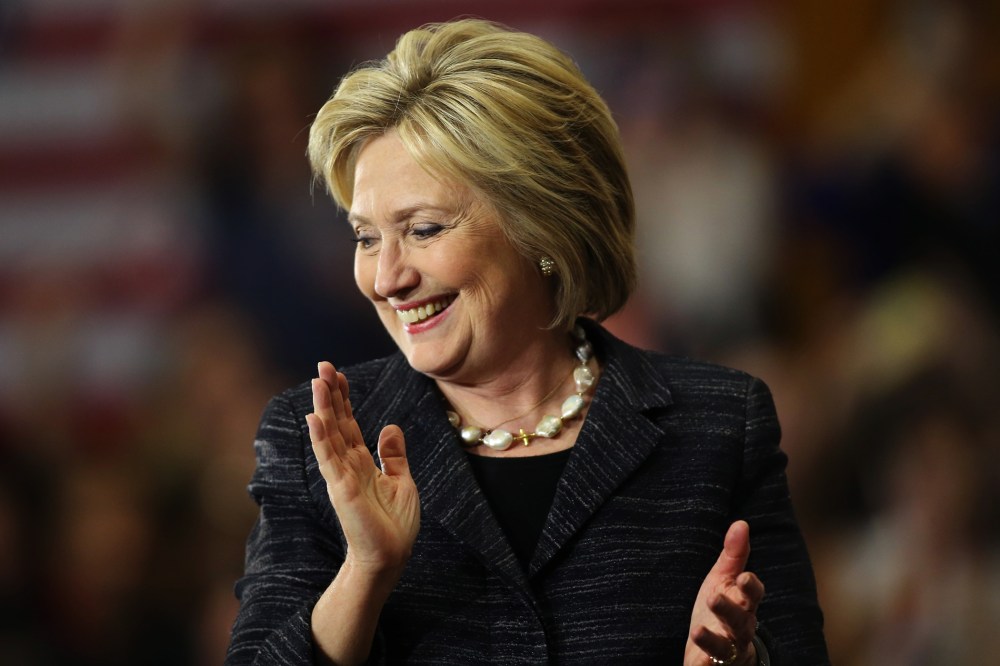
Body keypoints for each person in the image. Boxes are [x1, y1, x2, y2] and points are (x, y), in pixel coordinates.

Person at [225, 18, 829, 666]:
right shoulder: (316, 442)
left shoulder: (716, 428)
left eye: (424, 229)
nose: (387, 277)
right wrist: (365, 572)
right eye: (367, 237)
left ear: (541, 224)